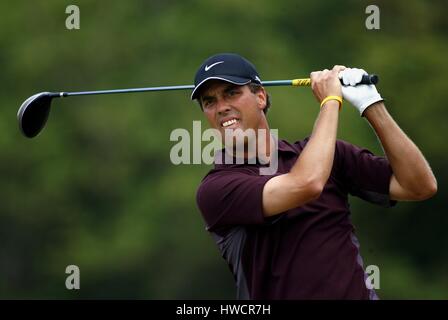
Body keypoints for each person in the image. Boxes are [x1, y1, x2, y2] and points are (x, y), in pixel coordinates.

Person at [190, 53, 437, 299]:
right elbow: (307, 184)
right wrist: (331, 101)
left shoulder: (331, 155)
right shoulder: (216, 189)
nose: (221, 107)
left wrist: (371, 104)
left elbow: (419, 186)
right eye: (209, 101)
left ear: (261, 97)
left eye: (232, 92)